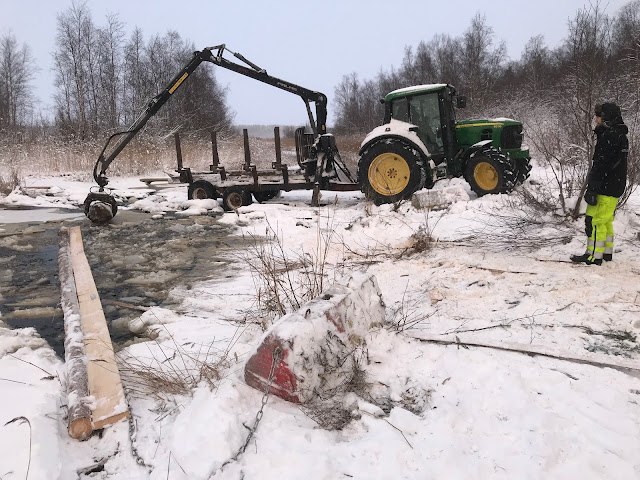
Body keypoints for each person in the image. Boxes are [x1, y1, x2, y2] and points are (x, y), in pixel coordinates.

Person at [571, 102, 628, 265]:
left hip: (605, 186)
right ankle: (606, 253)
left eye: (599, 117)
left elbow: (601, 165)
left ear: (607, 118)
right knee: (606, 220)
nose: (596, 120)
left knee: (595, 222)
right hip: (615, 185)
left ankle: (593, 256)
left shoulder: (609, 136)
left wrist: (593, 188)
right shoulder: (620, 135)